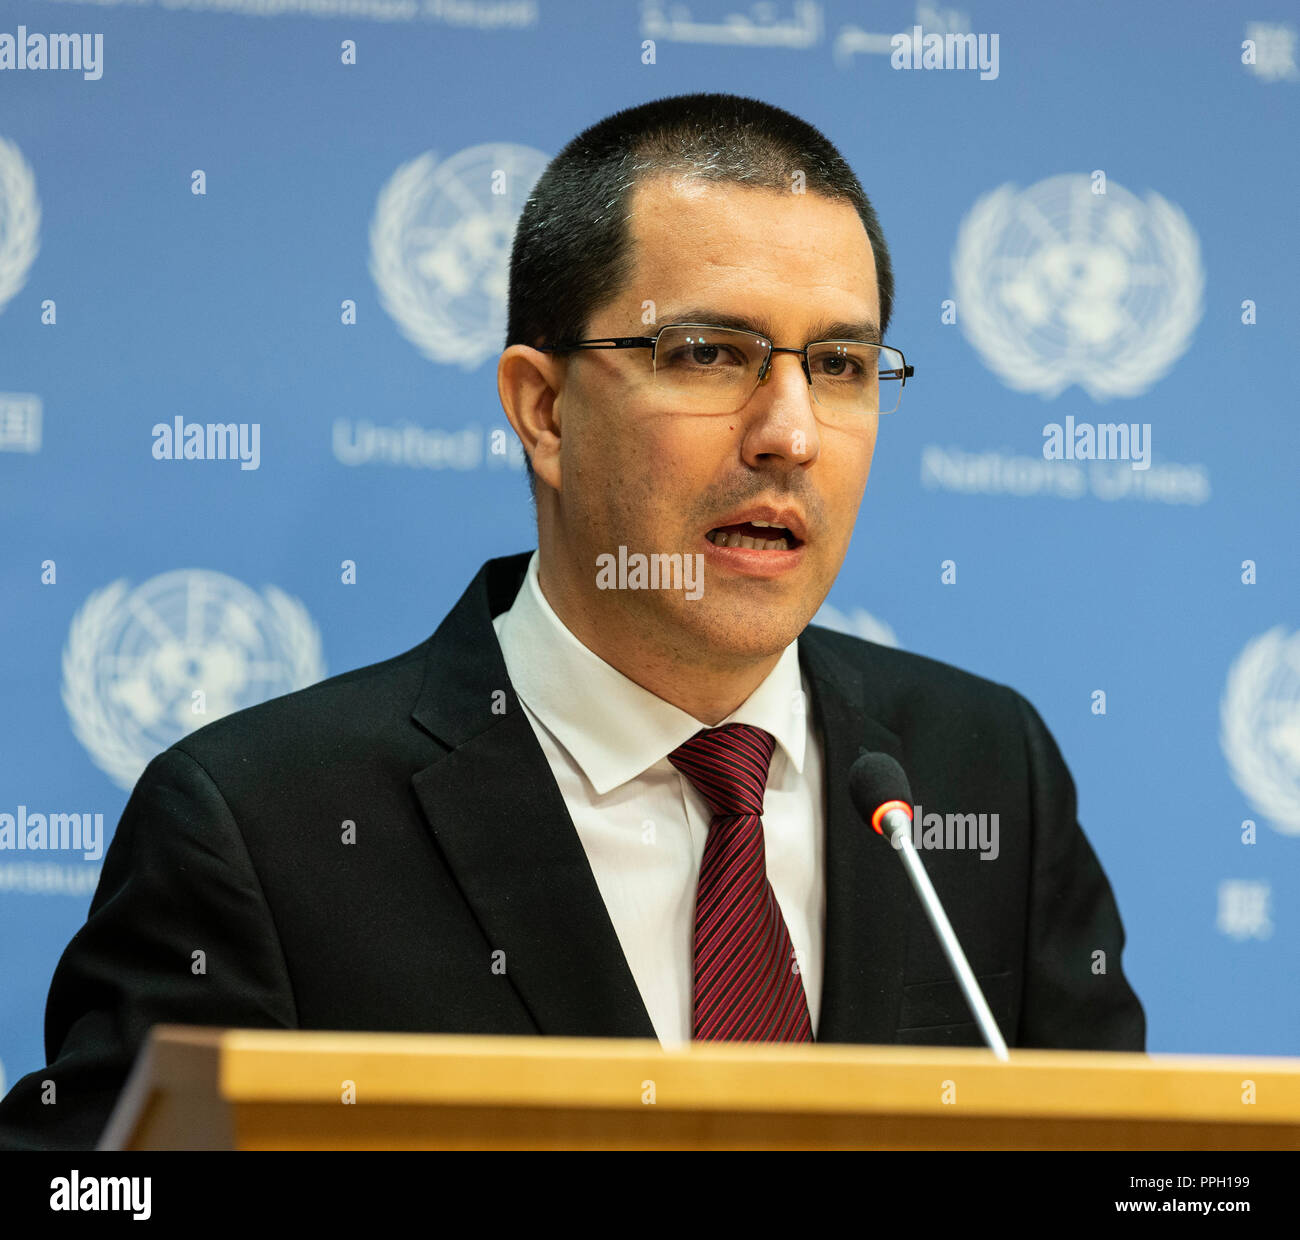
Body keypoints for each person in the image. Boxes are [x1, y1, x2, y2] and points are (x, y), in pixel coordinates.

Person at [0, 92, 1143, 1151]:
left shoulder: (986, 775)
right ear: (542, 411)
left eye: (839, 364)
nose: (789, 433)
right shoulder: (259, 828)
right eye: (708, 353)